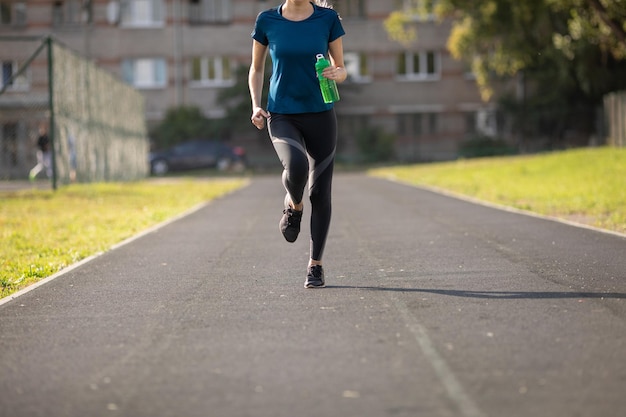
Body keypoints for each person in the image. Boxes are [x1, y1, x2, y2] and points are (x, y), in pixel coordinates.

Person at [249, 0, 347, 288]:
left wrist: (337, 73)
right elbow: (256, 69)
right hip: (281, 113)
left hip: (321, 113)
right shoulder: (267, 20)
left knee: (321, 192)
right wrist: (256, 105)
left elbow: (341, 67)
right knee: (296, 164)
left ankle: (315, 265)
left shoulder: (326, 19)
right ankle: (294, 204)